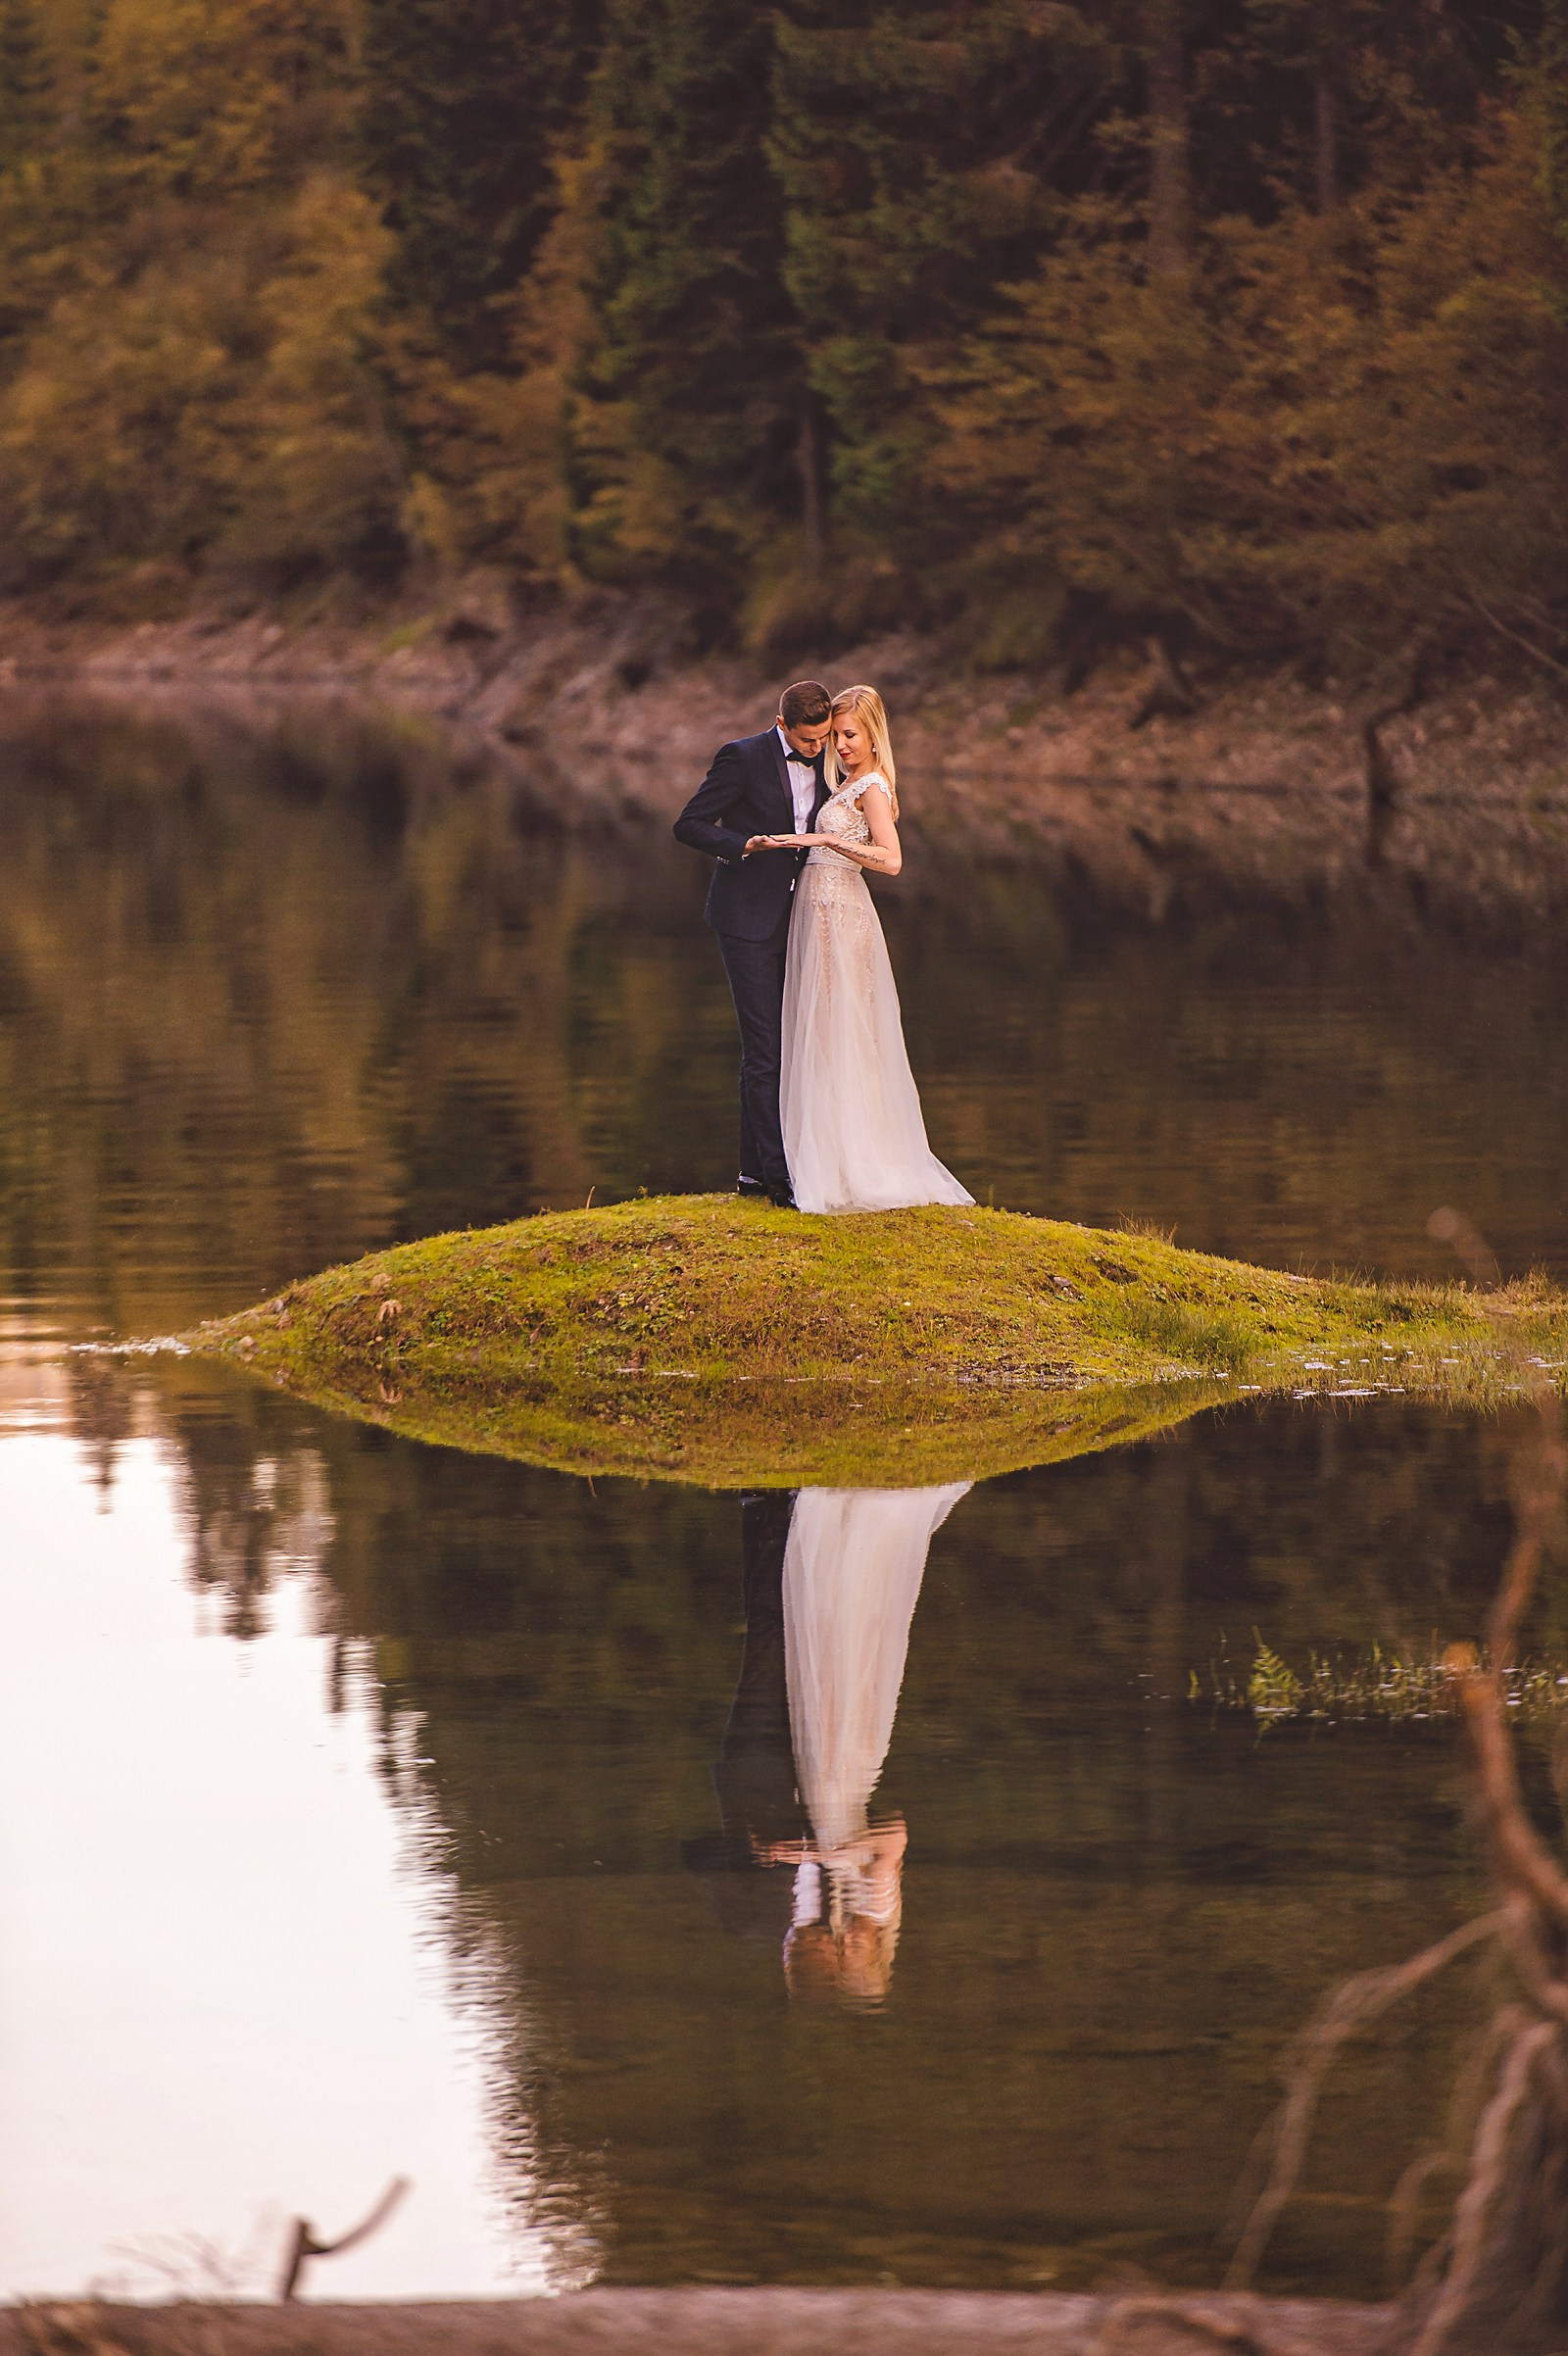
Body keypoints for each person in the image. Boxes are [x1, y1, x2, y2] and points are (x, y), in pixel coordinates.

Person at [756, 684, 972, 1215]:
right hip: (817, 908)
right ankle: (823, 1159)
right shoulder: (843, 781)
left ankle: (859, 1163)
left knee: (844, 1027)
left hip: (840, 911)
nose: (843, 745)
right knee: (825, 1029)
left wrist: (826, 842)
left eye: (850, 735)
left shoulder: (871, 785)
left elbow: (891, 860)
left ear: (874, 733)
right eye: (837, 736)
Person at [672, 682, 834, 1209]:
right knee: (764, 1051)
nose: (816, 749)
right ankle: (779, 1180)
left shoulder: (834, 763)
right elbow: (689, 824)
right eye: (807, 741)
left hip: (806, 917)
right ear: (782, 725)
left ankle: (750, 1173)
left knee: (792, 1046)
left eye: (823, 739)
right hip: (746, 919)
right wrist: (743, 843)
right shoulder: (741, 757)